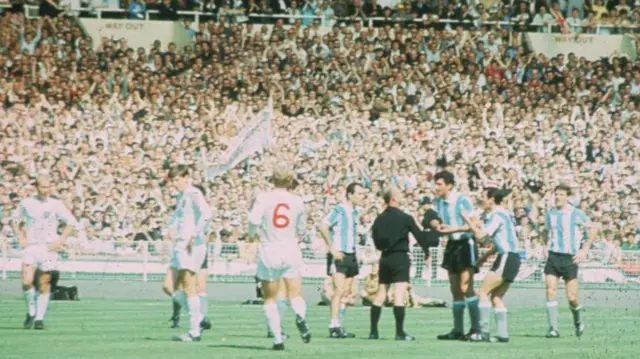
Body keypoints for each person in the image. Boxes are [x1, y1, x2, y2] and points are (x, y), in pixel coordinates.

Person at [248, 165, 312, 351]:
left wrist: (253, 234)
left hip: (270, 248)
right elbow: (301, 228)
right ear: (290, 180)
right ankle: (300, 315)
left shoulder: (263, 198)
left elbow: (253, 221)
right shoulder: (297, 201)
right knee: (295, 293)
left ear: (272, 179)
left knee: (269, 298)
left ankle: (277, 339)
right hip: (290, 248)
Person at [12, 174, 81, 330]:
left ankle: (39, 319)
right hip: (32, 246)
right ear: (36, 187)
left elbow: (71, 223)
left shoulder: (56, 204)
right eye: (43, 187)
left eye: (48, 186)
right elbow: (14, 220)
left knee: (44, 283)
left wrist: (61, 240)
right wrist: (20, 237)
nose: (46, 190)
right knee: (26, 281)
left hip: (48, 247)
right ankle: (31, 311)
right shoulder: (27, 203)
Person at [460, 187, 521, 343]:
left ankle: (483, 332)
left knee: (482, 292)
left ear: (492, 199)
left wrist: (467, 220)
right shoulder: (506, 214)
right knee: (496, 297)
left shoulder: (497, 215)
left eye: (484, 197)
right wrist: (483, 258)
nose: (482, 201)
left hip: (506, 256)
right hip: (512, 257)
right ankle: (502, 334)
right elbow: (496, 241)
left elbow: (481, 236)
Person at [368, 185, 426, 341]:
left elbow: (375, 238)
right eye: (399, 195)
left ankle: (373, 331)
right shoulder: (405, 217)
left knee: (381, 294)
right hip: (400, 257)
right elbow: (420, 237)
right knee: (399, 295)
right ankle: (399, 332)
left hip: (385, 257)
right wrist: (427, 251)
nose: (401, 197)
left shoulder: (379, 219)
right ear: (393, 198)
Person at [542, 184, 597, 339]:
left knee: (572, 297)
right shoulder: (550, 213)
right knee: (550, 290)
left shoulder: (576, 213)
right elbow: (545, 231)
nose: (557, 197)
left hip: (569, 258)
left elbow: (593, 229)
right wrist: (544, 247)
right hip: (553, 256)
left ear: (567, 196)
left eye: (560, 194)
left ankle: (578, 320)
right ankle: (553, 329)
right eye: (556, 194)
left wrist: (584, 249)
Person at [166, 165, 213, 342]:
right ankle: (199, 320)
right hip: (182, 245)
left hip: (189, 246)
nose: (175, 183)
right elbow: (177, 218)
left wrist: (194, 234)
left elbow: (207, 213)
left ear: (186, 177)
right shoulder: (182, 196)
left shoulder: (193, 192)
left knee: (188, 286)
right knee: (173, 286)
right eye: (173, 180)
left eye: (177, 179)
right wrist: (169, 229)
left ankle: (195, 330)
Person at [433, 170, 481, 340]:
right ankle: (458, 329)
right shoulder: (438, 202)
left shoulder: (462, 200)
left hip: (465, 244)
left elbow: (474, 225)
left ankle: (476, 328)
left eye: (439, 184)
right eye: (436, 184)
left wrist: (454, 228)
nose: (436, 187)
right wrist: (435, 224)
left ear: (449, 185)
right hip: (452, 245)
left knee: (465, 287)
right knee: (455, 290)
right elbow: (435, 219)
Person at [319, 182, 365, 339]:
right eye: (359, 193)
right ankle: (333, 325)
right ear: (350, 195)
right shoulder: (340, 210)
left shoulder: (354, 212)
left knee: (346, 291)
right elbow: (323, 226)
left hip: (351, 255)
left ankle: (339, 324)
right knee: (338, 290)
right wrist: (332, 248)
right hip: (340, 254)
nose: (362, 196)